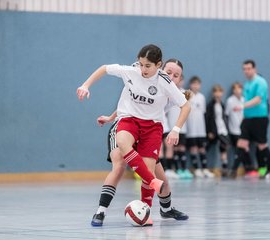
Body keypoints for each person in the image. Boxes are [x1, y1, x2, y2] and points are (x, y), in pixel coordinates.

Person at [77, 48, 191, 226]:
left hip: (149, 130)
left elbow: (143, 105)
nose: (171, 76)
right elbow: (128, 103)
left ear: (180, 79)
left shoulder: (170, 90)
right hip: (127, 124)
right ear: (160, 67)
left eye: (176, 75)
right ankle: (100, 211)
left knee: (162, 181)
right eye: (168, 72)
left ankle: (162, 210)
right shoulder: (137, 73)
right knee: (120, 165)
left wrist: (176, 129)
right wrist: (111, 117)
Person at [234, 60, 270, 179]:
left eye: (249, 68)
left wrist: (242, 106)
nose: (246, 71)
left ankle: (269, 170)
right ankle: (234, 170)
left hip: (259, 118)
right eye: (244, 69)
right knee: (241, 143)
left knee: (261, 145)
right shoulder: (246, 84)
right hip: (248, 119)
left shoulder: (261, 82)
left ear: (254, 69)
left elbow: (258, 99)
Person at [226, 83, 258, 178]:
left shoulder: (245, 100)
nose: (238, 91)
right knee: (242, 149)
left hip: (244, 130)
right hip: (234, 130)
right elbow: (227, 115)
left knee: (243, 149)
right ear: (233, 91)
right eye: (235, 89)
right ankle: (246, 169)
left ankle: (243, 169)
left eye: (239, 88)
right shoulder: (230, 101)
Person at [166, 73, 193, 179]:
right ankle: (174, 169)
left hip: (182, 127)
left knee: (182, 148)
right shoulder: (169, 92)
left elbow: (187, 110)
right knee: (172, 149)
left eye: (181, 79)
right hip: (171, 126)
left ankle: (183, 169)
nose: (179, 82)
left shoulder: (186, 93)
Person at [186, 76, 214, 178]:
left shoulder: (202, 97)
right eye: (193, 84)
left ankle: (205, 169)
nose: (195, 86)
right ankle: (197, 169)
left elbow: (203, 112)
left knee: (202, 148)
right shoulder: (187, 95)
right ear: (190, 85)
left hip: (200, 129)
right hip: (190, 128)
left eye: (197, 84)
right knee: (193, 148)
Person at [205, 85, 231, 177]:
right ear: (213, 94)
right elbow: (208, 119)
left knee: (223, 148)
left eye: (219, 92)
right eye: (215, 92)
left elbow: (224, 118)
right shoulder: (210, 105)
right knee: (207, 148)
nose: (218, 94)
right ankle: (206, 168)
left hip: (222, 130)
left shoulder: (222, 105)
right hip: (213, 130)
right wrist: (209, 131)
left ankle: (224, 168)